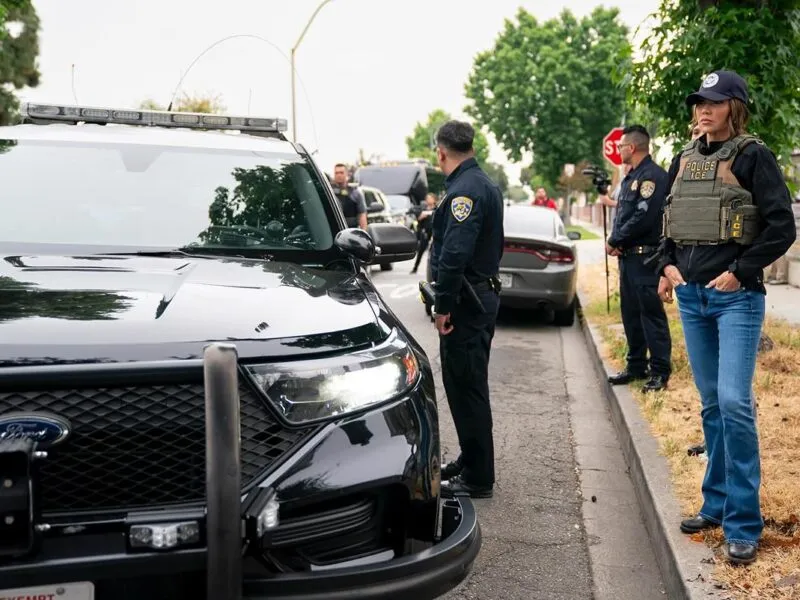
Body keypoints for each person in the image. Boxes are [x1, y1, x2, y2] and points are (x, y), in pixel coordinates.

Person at [656, 69, 796, 565]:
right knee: (712, 404)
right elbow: (668, 221)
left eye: (714, 102)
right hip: (692, 298)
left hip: (736, 299)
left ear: (734, 106)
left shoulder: (754, 155)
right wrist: (666, 264)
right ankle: (714, 505)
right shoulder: (684, 159)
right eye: (699, 103)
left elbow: (783, 226)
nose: (703, 110)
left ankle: (743, 523)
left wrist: (741, 271)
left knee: (735, 404)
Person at [429, 120, 503, 499]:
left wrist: (442, 307)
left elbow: (455, 253)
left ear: (441, 152)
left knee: (467, 386)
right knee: (463, 385)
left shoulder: (465, 190)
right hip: (473, 298)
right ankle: (472, 459)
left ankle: (478, 477)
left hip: (466, 304)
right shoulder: (475, 183)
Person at [605, 125, 672, 393]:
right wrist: (619, 241)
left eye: (621, 146)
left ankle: (659, 372)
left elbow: (643, 217)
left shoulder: (651, 177)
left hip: (647, 259)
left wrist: (615, 239)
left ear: (631, 148)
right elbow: (624, 214)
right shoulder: (631, 177)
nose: (619, 150)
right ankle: (635, 366)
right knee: (631, 314)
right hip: (629, 258)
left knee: (650, 316)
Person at [331, 163, 367, 230]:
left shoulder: (355, 193)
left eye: (341, 173)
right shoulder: (329, 192)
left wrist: (363, 232)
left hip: (351, 230)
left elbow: (362, 214)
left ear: (347, 174)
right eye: (336, 173)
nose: (339, 175)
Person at [411, 193, 437, 274]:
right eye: (427, 198)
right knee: (421, 250)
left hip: (435, 232)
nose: (428, 200)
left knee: (435, 250)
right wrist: (422, 216)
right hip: (425, 232)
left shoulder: (437, 209)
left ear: (434, 200)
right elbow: (418, 220)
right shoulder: (423, 209)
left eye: (430, 198)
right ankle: (415, 267)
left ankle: (435, 268)